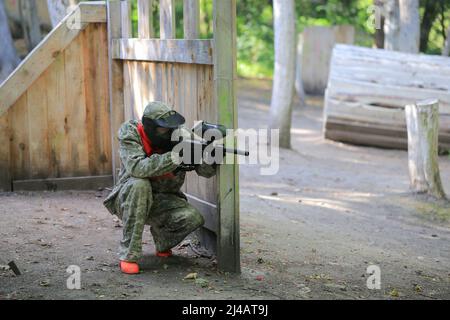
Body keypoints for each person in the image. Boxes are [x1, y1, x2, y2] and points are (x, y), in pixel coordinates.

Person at [103, 101, 216, 274]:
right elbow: (137, 168)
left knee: (193, 218)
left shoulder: (182, 136)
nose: (169, 132)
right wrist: (176, 157)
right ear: (150, 126)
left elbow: (205, 172)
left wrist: (209, 156)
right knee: (140, 184)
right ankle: (129, 255)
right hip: (128, 197)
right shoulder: (131, 134)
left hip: (163, 201)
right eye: (164, 128)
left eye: (172, 127)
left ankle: (162, 241)